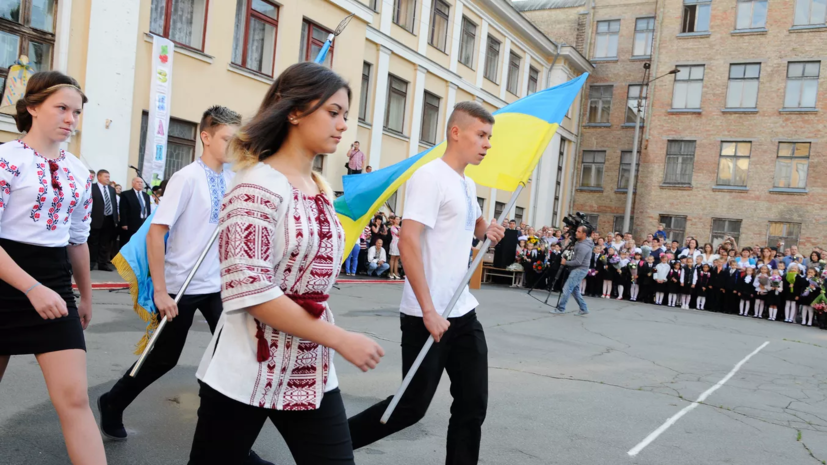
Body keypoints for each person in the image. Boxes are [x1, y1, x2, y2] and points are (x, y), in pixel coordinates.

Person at [187, 63, 385, 465]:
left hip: (307, 369)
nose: (343, 125)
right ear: (294, 111)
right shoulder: (254, 186)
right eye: (333, 112)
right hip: (246, 365)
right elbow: (252, 292)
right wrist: (340, 338)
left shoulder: (321, 189)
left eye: (345, 114)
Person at [99, 106, 279, 461]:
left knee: (230, 362)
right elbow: (156, 234)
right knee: (161, 360)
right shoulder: (187, 178)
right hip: (181, 288)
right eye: (227, 139)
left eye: (236, 140)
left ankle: (234, 447)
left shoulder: (233, 179)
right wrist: (162, 291)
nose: (233, 146)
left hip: (219, 290)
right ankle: (113, 401)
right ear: (207, 136)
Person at [347, 101, 504, 465]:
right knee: (409, 409)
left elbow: (478, 227)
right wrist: (430, 310)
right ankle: (326, 450)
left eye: (489, 137)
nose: (487, 144)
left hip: (462, 311)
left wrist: (490, 230)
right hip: (427, 315)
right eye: (481, 135)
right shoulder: (429, 176)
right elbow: (408, 240)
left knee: (472, 404)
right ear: (456, 132)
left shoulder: (467, 183)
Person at [0, 71, 106, 464]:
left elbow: (78, 239)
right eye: (61, 108)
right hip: (6, 279)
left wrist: (85, 295)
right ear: (32, 107)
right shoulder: (5, 160)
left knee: (75, 398)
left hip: (54, 282)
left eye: (76, 112)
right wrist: (30, 289)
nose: (70, 119)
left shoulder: (80, 171)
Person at [551, 225, 594, 315]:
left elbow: (578, 262)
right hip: (577, 269)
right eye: (576, 231)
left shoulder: (583, 246)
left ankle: (561, 308)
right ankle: (584, 308)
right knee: (575, 290)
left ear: (584, 234)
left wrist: (565, 262)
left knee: (567, 288)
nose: (576, 233)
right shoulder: (579, 242)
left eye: (578, 232)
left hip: (579, 269)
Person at [89, 169, 117, 271]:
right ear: (99, 177)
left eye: (108, 177)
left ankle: (103, 263)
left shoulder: (111, 189)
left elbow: (113, 204)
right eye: (106, 177)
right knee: (93, 242)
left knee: (105, 243)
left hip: (109, 219)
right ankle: (91, 262)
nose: (108, 179)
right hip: (95, 219)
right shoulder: (92, 188)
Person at [118, 177, 151, 246]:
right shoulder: (126, 194)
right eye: (137, 182)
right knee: (129, 242)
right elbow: (123, 209)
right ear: (133, 183)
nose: (140, 184)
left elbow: (148, 209)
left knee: (140, 243)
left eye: (141, 182)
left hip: (143, 222)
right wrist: (124, 223)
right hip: (131, 224)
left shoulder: (146, 195)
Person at [388, 215, 402, 279]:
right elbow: (398, 233)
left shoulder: (400, 227)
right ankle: (391, 273)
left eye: (399, 219)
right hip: (394, 243)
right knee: (392, 258)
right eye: (397, 219)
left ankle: (396, 273)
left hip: (399, 243)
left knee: (397, 259)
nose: (398, 220)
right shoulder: (393, 227)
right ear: (394, 220)